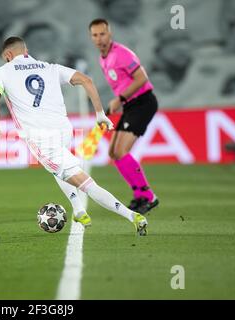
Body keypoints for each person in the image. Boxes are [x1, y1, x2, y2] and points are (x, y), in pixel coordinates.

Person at [0, 36, 148, 235]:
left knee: (84, 183)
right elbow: (86, 80)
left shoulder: (1, 72)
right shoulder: (50, 67)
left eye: (5, 58)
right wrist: (100, 114)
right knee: (57, 169)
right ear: (26, 51)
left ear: (8, 55)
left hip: (40, 137)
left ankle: (132, 216)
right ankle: (78, 209)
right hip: (63, 129)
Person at [89, 18, 159, 214]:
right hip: (130, 105)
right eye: (95, 35)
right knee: (113, 153)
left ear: (109, 34)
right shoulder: (102, 58)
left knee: (121, 151)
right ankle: (139, 196)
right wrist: (119, 102)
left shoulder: (121, 53)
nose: (99, 38)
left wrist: (119, 99)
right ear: (91, 37)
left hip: (143, 102)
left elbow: (141, 78)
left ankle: (149, 196)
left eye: (102, 34)